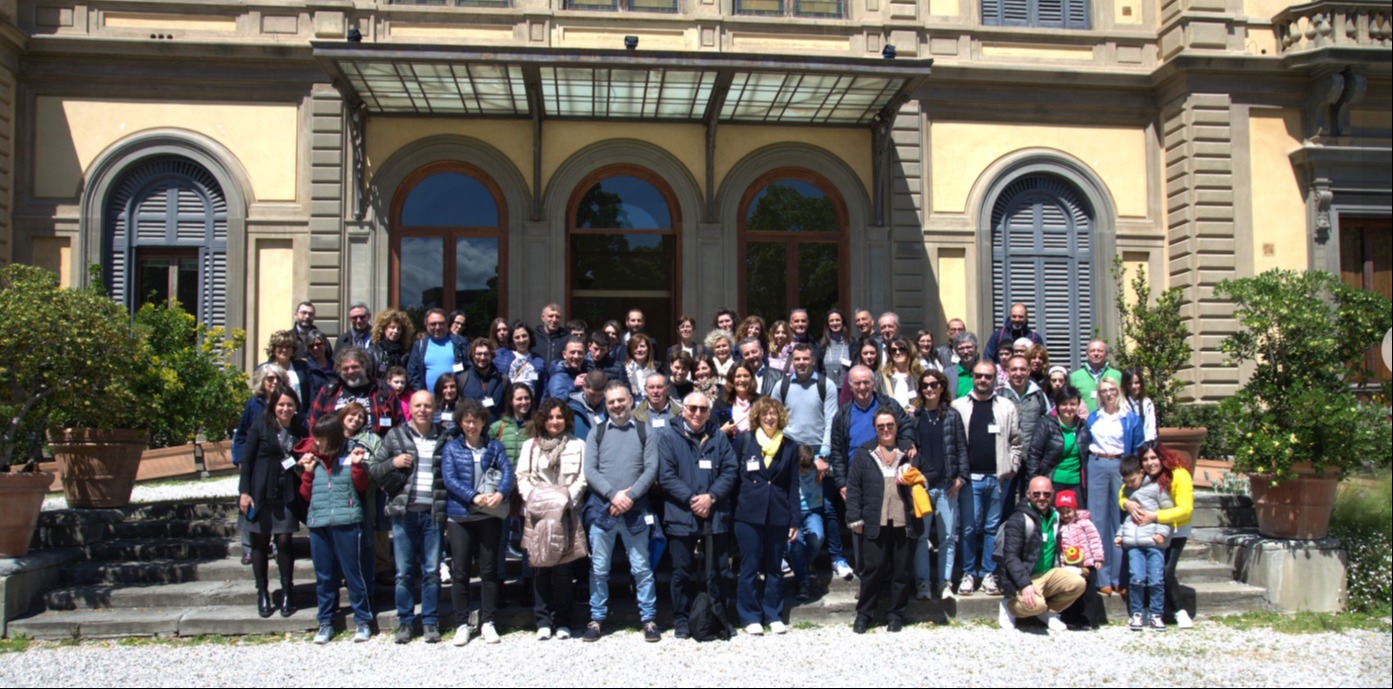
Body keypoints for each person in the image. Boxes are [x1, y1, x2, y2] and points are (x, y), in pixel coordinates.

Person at [581, 382, 661, 643]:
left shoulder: (644, 431)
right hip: (603, 510)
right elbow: (590, 471)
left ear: (631, 401)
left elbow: (651, 469)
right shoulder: (597, 433)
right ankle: (597, 618)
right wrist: (613, 495)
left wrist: (629, 496)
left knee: (641, 568)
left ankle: (648, 619)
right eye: (611, 402)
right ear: (606, 405)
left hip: (635, 511)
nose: (616, 405)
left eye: (621, 400)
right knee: (599, 568)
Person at [370, 390, 449, 644]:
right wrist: (393, 462)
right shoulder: (395, 435)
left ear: (434, 408)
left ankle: (429, 621)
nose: (423, 410)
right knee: (404, 572)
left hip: (433, 513)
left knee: (431, 571)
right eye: (418, 405)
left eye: (427, 405)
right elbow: (374, 469)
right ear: (410, 408)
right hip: (404, 513)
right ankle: (405, 621)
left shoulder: (444, 436)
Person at [659, 391, 738, 640]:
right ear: (683, 409)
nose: (697, 413)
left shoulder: (718, 436)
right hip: (681, 514)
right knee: (681, 572)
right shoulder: (669, 436)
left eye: (703, 409)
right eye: (692, 408)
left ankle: (717, 615)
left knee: (717, 570)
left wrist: (711, 497)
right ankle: (681, 619)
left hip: (714, 515)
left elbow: (730, 470)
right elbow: (666, 475)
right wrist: (693, 499)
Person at [827, 365, 916, 582]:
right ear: (850, 386)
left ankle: (891, 581)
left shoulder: (888, 405)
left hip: (890, 477)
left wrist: (907, 443)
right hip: (857, 482)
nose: (862, 387)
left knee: (891, 531)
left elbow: (906, 426)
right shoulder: (843, 414)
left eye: (866, 382)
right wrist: (841, 483)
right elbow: (837, 452)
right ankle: (866, 581)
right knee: (861, 532)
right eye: (857, 383)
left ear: (873, 382)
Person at [441, 398, 515, 646]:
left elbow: (507, 472)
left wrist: (500, 494)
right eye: (467, 421)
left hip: (489, 515)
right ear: (461, 423)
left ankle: (488, 621)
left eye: (476, 420)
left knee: (489, 570)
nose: (472, 425)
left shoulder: (494, 447)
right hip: (460, 515)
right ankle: (462, 623)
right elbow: (449, 479)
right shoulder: (451, 448)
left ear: (484, 422)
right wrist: (473, 496)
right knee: (460, 571)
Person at [297, 413, 374, 644]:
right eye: (315, 437)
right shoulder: (312, 459)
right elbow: (306, 494)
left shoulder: (350, 455)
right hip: (319, 522)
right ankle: (325, 622)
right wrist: (308, 474)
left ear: (332, 437)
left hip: (348, 520)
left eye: (320, 438)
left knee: (354, 574)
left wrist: (358, 467)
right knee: (324, 576)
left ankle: (362, 620)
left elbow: (360, 487)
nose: (316, 442)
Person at [845, 409, 924, 634]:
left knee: (901, 571)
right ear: (875, 429)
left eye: (889, 425)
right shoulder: (864, 453)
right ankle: (864, 614)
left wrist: (919, 477)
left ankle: (896, 614)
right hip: (874, 520)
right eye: (881, 427)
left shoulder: (909, 451)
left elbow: (931, 473)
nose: (886, 430)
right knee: (873, 569)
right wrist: (854, 517)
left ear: (896, 426)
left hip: (904, 521)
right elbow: (854, 488)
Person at [950, 359, 1022, 597]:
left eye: (987, 376)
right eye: (979, 375)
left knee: (992, 527)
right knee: (969, 528)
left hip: (998, 478)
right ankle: (969, 573)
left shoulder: (1006, 406)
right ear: (973, 377)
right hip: (969, 478)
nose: (982, 380)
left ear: (995, 379)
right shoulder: (959, 406)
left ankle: (989, 573)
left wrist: (1012, 466)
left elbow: (1016, 441)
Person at [517, 398, 588, 640]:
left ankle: (564, 621)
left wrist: (565, 501)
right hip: (538, 515)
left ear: (566, 419)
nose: (554, 422)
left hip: (566, 513)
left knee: (563, 570)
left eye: (559, 417)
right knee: (540, 567)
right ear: (542, 420)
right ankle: (543, 621)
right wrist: (535, 500)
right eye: (549, 418)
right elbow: (522, 476)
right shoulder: (531, 446)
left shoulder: (578, 445)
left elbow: (583, 477)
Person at [729, 397, 799, 636]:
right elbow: (734, 479)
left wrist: (795, 520)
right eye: (765, 414)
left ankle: (773, 613)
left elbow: (793, 485)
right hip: (748, 514)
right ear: (757, 417)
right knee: (748, 567)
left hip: (778, 514)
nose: (770, 418)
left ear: (781, 417)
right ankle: (749, 616)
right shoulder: (744, 441)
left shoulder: (790, 446)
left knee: (774, 568)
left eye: (774, 414)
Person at [238, 386, 305, 619]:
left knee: (285, 540)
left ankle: (288, 592)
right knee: (260, 541)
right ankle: (262, 592)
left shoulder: (299, 427)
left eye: (289, 405)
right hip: (260, 490)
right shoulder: (260, 426)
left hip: (286, 490)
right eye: (281, 405)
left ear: (296, 407)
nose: (285, 409)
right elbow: (246, 461)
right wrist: (244, 492)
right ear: (273, 406)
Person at [995, 476, 1085, 632]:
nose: (1042, 498)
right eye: (1037, 494)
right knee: (1036, 604)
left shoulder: (1055, 516)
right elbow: (1011, 557)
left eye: (1046, 494)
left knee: (1078, 583)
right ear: (1028, 494)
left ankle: (1047, 613)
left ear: (1053, 494)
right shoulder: (1018, 519)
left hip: (1047, 574)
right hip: (1022, 578)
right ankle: (1009, 607)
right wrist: (1025, 584)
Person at [909, 368, 968, 601]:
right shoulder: (915, 416)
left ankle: (944, 583)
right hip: (922, 486)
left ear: (942, 387)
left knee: (948, 538)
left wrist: (961, 477)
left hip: (947, 486)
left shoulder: (952, 416)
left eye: (934, 384)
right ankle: (923, 584)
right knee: (921, 538)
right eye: (925, 385)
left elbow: (962, 448)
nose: (930, 389)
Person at [1122, 443, 1194, 628]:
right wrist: (1126, 504)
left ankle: (1178, 610)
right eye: (1145, 459)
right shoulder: (1143, 476)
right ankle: (1146, 609)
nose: (1150, 463)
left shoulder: (1179, 474)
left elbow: (1185, 510)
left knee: (1165, 570)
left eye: (1153, 458)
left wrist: (1156, 516)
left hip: (1176, 528)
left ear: (1162, 457)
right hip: (1150, 530)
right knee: (1146, 570)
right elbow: (1124, 491)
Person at [1086, 376, 1145, 594]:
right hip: (1098, 464)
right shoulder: (1093, 418)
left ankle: (1121, 577)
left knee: (1120, 520)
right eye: (1103, 391)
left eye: (1111, 390)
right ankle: (1102, 577)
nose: (1108, 394)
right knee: (1098, 519)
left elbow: (1139, 446)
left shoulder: (1130, 419)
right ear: (1099, 395)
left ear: (1118, 392)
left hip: (1121, 465)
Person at [231, 362, 289, 565]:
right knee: (250, 506)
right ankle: (248, 548)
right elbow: (241, 434)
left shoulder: (286, 401)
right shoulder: (254, 404)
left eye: (278, 379)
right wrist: (239, 458)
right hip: (254, 462)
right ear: (262, 382)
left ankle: (271, 545)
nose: (274, 382)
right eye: (270, 379)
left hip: (277, 465)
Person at [1116, 454, 1173, 632]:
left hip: (1153, 542)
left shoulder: (1157, 489)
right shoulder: (1127, 491)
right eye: (1127, 481)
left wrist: (1162, 533)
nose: (1130, 484)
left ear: (1141, 472)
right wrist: (1121, 535)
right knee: (1136, 579)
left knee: (1156, 579)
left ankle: (1156, 614)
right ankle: (1137, 613)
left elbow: (1167, 512)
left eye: (1133, 480)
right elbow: (1127, 518)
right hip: (1133, 543)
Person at [339, 402, 390, 587]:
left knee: (372, 532)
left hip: (368, 490)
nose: (356, 420)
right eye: (352, 415)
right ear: (343, 415)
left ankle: (379, 569)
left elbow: (381, 460)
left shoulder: (372, 438)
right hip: (340, 493)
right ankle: (345, 571)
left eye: (360, 417)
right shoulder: (333, 435)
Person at [308, 347, 404, 433]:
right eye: (345, 368)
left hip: (376, 449)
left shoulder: (383, 390)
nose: (350, 371)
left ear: (364, 366)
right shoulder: (329, 391)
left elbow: (399, 424)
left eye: (355, 367)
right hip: (336, 449)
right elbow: (314, 423)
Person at [1026, 385, 1092, 501]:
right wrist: (1034, 482)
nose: (1068, 408)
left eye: (1072, 404)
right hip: (1052, 483)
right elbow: (1034, 455)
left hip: (1076, 484)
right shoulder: (1046, 424)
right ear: (1057, 405)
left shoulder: (1083, 426)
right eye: (1064, 404)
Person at [1055, 489, 1107, 629]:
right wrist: (1061, 563)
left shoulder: (1084, 523)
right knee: (1072, 593)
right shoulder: (1059, 527)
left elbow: (1094, 539)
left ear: (1075, 509)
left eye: (1068, 511)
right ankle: (1071, 619)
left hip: (1087, 563)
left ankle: (1089, 620)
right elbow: (1060, 547)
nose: (1065, 515)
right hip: (1070, 566)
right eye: (1062, 512)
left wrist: (1098, 557)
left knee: (1088, 594)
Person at [789, 445, 824, 602]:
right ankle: (803, 581)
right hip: (793, 512)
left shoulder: (818, 466)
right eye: (801, 470)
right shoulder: (788, 467)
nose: (803, 473)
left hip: (812, 509)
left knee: (818, 537)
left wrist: (825, 465)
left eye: (806, 470)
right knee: (795, 545)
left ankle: (807, 562)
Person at [406, 308, 469, 394]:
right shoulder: (420, 346)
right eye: (433, 324)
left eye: (441, 323)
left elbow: (469, 369)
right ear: (426, 325)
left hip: (456, 400)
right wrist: (422, 394)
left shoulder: (460, 343)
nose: (437, 327)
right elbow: (412, 374)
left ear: (447, 324)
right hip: (429, 402)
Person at [264, 330, 318, 410]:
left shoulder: (303, 367)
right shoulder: (265, 369)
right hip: (272, 415)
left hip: (300, 416)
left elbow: (312, 393)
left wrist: (309, 415)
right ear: (273, 349)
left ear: (293, 349)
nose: (284, 350)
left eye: (288, 346)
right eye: (280, 346)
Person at [458, 338, 508, 421]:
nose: (482, 357)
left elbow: (508, 410)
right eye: (478, 354)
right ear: (472, 355)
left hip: (496, 431)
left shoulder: (503, 380)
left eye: (486, 354)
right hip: (471, 430)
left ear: (491, 356)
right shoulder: (462, 379)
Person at [1070, 340, 1123, 414]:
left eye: (1100, 351)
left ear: (1106, 354)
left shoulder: (1117, 375)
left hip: (1111, 421)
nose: (1096, 353)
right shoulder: (1074, 377)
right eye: (1092, 351)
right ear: (1087, 354)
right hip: (1083, 422)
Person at [499, 321, 546, 398]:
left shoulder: (539, 361)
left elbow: (544, 389)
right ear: (512, 340)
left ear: (530, 337)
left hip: (531, 405)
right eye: (517, 337)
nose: (521, 340)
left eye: (524, 336)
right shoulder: (502, 357)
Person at [368, 309, 415, 383]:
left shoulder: (405, 353)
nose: (396, 331)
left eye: (399, 329)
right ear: (383, 329)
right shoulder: (373, 352)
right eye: (392, 327)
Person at [837, 337, 886, 406]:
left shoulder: (883, 374)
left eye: (872, 353)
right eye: (865, 353)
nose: (869, 356)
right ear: (860, 354)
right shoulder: (852, 375)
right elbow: (844, 401)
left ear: (877, 354)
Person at [718, 362, 760, 437]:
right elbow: (711, 433)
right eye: (738, 376)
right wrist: (722, 431)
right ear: (732, 379)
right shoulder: (721, 402)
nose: (742, 380)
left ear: (752, 378)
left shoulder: (761, 401)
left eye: (746, 376)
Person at [543, 336, 589, 402]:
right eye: (572, 352)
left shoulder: (588, 370)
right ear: (564, 354)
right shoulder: (557, 378)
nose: (576, 356)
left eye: (580, 353)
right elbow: (556, 402)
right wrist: (574, 386)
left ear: (585, 354)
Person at [879, 337, 922, 409]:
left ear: (909, 351)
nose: (897, 352)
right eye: (893, 350)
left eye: (902, 349)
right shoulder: (881, 376)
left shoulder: (918, 376)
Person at [568, 370, 610, 440]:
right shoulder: (572, 408)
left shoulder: (610, 407)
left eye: (600, 395)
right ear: (584, 386)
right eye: (592, 394)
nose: (596, 399)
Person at [1121, 367, 1158, 443]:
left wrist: (1149, 445)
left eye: (1136, 383)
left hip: (1146, 444)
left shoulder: (1147, 402)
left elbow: (1151, 425)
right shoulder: (1121, 403)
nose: (1133, 387)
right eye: (1129, 384)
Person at [819, 308, 853, 387]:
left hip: (847, 389)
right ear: (828, 324)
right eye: (831, 321)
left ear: (842, 322)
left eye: (837, 320)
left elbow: (855, 365)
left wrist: (845, 362)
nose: (835, 323)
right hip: (827, 389)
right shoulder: (822, 345)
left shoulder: (852, 343)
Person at [943, 332, 980, 401]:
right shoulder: (948, 374)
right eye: (961, 348)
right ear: (956, 352)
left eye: (968, 347)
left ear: (976, 348)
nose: (965, 351)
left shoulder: (986, 371)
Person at [624, 333, 660, 398]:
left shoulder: (657, 368)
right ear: (630, 350)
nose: (639, 350)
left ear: (648, 349)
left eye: (642, 346)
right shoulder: (624, 369)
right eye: (635, 347)